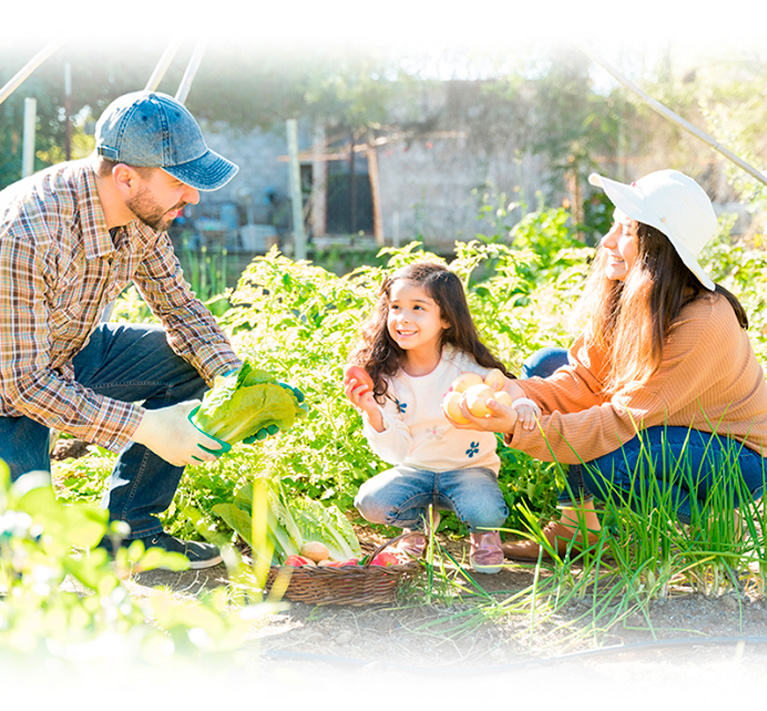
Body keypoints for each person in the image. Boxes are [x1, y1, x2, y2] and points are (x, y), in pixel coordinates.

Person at [0, 91, 285, 569]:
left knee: (184, 363)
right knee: (29, 563)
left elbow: (180, 309)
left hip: (63, 355)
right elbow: (22, 385)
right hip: (9, 386)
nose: (192, 197)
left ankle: (131, 537)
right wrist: (146, 427)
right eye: (178, 181)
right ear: (126, 177)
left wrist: (235, 381)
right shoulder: (25, 234)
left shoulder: (141, 216)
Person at [446, 169, 767, 559]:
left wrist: (518, 426)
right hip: (666, 427)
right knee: (545, 365)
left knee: (603, 461)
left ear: (658, 245)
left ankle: (715, 525)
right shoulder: (630, 294)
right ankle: (579, 530)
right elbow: (585, 379)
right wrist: (514, 391)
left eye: (627, 231)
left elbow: (618, 421)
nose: (608, 241)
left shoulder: (703, 322)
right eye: (614, 226)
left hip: (734, 459)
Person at [345, 262, 539, 573]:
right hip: (415, 471)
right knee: (371, 501)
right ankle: (419, 525)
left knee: (485, 511)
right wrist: (371, 409)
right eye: (395, 307)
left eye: (417, 308)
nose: (402, 318)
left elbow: (506, 386)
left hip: (469, 470)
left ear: (446, 319)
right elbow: (396, 452)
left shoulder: (463, 365)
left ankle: (484, 533)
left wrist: (524, 404)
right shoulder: (388, 377)